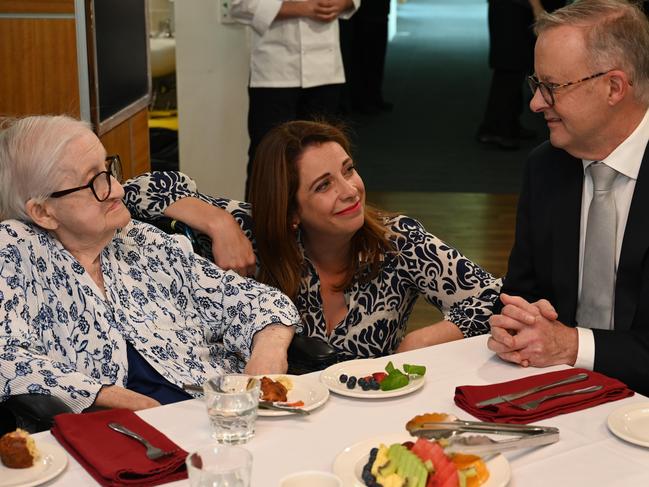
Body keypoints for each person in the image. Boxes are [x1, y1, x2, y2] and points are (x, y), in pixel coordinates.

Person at [124, 120, 502, 360]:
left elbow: (497, 297)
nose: (350, 190)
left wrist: (417, 345)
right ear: (290, 212)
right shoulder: (249, 229)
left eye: (348, 170)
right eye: (324, 185)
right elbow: (130, 192)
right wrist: (217, 222)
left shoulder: (397, 240)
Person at [0, 115, 299, 414]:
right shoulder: (15, 251)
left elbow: (256, 300)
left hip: (224, 413)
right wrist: (109, 397)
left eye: (108, 169)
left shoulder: (141, 241)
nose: (117, 189)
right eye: (96, 182)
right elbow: (6, 357)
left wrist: (267, 354)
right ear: (43, 212)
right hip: (122, 440)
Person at [487, 0, 649, 395]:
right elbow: (521, 291)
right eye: (536, 84)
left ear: (614, 87)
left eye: (553, 87)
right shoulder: (546, 167)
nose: (536, 103)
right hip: (562, 396)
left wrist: (572, 344)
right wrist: (518, 321)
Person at [229, 0, 360, 197]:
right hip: (274, 71)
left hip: (324, 69)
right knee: (267, 156)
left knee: (325, 153)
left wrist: (345, 3)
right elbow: (239, 6)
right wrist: (301, 7)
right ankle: (255, 224)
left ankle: (323, 223)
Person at [477, 0, 565, 150]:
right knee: (509, 67)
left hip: (521, 10)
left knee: (517, 67)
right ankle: (497, 129)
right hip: (514, 9)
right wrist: (537, 7)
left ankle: (509, 123)